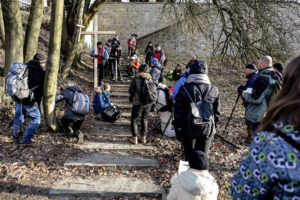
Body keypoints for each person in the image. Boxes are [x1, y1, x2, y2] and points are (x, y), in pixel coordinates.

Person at [231, 54, 300, 199]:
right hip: (267, 113)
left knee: (256, 131)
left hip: (261, 115)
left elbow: (242, 192)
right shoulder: (275, 76)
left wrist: (244, 94)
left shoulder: (273, 144)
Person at [173, 60, 221, 159]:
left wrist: (179, 129)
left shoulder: (184, 88)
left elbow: (178, 112)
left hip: (188, 127)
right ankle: (201, 173)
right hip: (207, 127)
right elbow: (217, 112)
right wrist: (213, 126)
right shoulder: (213, 89)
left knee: (189, 157)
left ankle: (188, 173)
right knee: (202, 158)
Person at [12, 53, 46, 145]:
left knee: (18, 118)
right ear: (40, 63)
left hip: (19, 97)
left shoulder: (24, 67)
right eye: (43, 63)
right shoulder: (41, 73)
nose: (44, 65)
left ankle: (16, 139)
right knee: (36, 119)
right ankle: (26, 140)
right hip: (30, 100)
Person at [242, 56, 281, 134]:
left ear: (263, 64)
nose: (257, 65)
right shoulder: (277, 76)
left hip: (260, 116)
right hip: (272, 114)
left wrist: (245, 94)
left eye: (258, 63)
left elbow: (256, 99)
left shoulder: (262, 78)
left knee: (259, 140)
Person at [129, 64, 155, 144]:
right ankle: (143, 138)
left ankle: (134, 138)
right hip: (148, 102)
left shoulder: (136, 79)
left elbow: (130, 90)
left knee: (134, 118)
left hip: (137, 102)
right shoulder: (150, 79)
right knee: (144, 118)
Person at [237, 64, 258, 142]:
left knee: (249, 121)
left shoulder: (252, 80)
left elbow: (247, 94)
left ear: (250, 70)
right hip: (254, 105)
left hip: (250, 105)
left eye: (245, 69)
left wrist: (240, 90)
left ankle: (250, 139)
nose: (244, 71)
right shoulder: (255, 77)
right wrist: (244, 88)